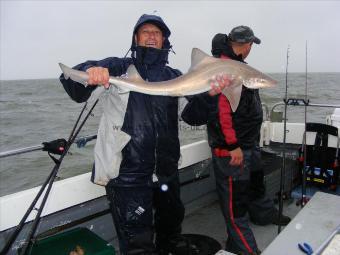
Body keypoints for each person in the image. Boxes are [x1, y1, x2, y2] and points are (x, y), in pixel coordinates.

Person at [60, 14, 190, 255]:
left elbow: (195, 117)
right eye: (145, 31)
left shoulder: (175, 76)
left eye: (157, 32)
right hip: (128, 178)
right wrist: (91, 72)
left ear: (164, 40)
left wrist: (212, 96)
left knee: (170, 233)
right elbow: (73, 87)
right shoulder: (118, 67)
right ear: (135, 37)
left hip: (166, 174)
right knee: (137, 245)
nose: (151, 35)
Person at [181, 26, 291, 255]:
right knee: (236, 204)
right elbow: (222, 112)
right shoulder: (222, 71)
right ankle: (242, 246)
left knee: (256, 184)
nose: (251, 49)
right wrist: (233, 146)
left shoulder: (241, 67)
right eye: (251, 45)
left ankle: (263, 214)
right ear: (245, 45)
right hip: (232, 148)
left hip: (249, 143)